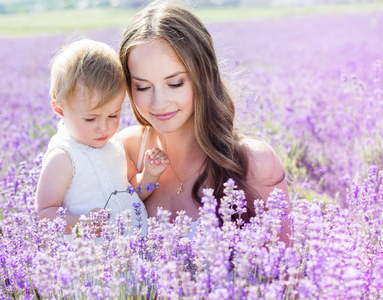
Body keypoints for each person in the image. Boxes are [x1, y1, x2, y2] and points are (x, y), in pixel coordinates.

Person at [118, 0, 291, 245]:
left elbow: (286, 273)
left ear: (203, 75)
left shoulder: (253, 161)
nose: (158, 102)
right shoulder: (125, 149)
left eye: (175, 83)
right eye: (142, 87)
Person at [35, 39, 169, 237]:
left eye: (113, 115)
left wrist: (150, 175)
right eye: (90, 119)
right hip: (92, 258)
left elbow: (133, 192)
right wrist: (83, 224)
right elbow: (43, 215)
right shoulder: (64, 156)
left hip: (134, 249)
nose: (104, 128)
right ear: (60, 109)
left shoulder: (114, 145)